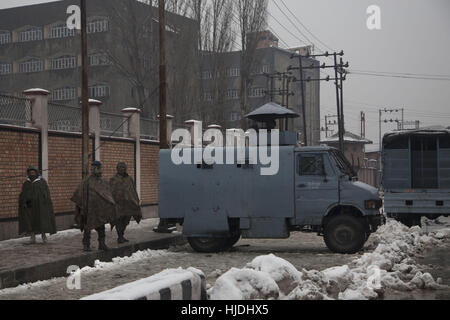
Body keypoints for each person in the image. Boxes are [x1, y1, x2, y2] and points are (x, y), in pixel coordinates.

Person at [71, 161, 118, 252]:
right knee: (87, 228)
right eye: (96, 168)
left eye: (100, 168)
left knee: (101, 227)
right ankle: (86, 245)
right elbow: (79, 194)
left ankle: (102, 244)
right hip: (89, 209)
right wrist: (82, 207)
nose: (100, 170)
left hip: (100, 209)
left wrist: (111, 204)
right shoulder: (87, 181)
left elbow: (107, 194)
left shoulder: (103, 181)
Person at [18, 166, 57, 244]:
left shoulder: (41, 182)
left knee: (41, 220)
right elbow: (23, 194)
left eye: (33, 172)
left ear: (36, 173)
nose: (32, 174)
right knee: (30, 220)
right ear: (28, 174)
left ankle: (44, 237)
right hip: (30, 205)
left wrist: (45, 203)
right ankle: (32, 238)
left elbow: (46, 194)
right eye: (30, 173)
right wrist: (23, 202)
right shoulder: (26, 183)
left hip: (40, 205)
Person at [110, 162, 142, 243]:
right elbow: (111, 192)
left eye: (124, 167)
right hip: (118, 205)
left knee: (125, 221)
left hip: (128, 205)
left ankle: (122, 235)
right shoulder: (113, 179)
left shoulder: (129, 179)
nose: (122, 169)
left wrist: (136, 200)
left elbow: (133, 190)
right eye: (120, 167)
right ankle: (120, 237)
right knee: (118, 221)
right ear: (117, 169)